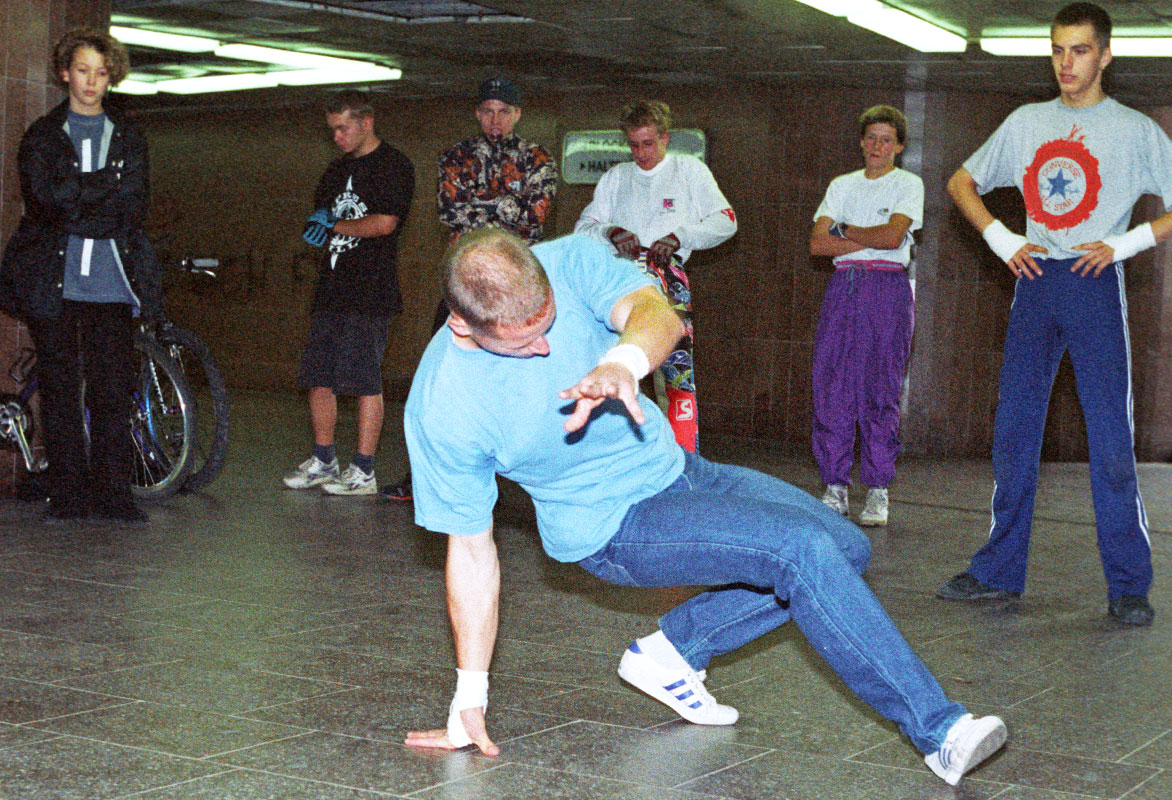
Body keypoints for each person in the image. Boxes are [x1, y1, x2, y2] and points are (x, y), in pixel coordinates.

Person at [401, 227, 1007, 788]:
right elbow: (472, 551)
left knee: (846, 547)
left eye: (547, 327)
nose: (543, 350)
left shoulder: (573, 261)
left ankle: (673, 650)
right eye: (521, 343)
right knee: (798, 551)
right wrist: (469, 696)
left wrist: (623, 361)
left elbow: (656, 313)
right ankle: (941, 732)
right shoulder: (443, 406)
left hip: (681, 471)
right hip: (611, 526)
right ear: (460, 325)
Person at [937, 2, 1172, 626]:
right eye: (1057, 50)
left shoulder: (1134, 130)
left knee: (1110, 436)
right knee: (1014, 431)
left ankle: (1129, 585)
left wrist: (1129, 242)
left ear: (1104, 55)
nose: (1066, 63)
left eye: (1079, 50)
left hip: (1092, 280)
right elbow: (959, 183)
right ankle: (998, 572)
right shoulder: (1027, 121)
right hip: (1035, 282)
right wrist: (1002, 239)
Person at [0, 28, 161, 524]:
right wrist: (97, 193)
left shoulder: (129, 136)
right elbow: (46, 204)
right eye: (83, 71)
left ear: (112, 78)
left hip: (112, 286)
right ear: (66, 73)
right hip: (57, 284)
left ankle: (114, 492)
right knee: (61, 390)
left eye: (102, 73)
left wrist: (78, 197)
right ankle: (68, 492)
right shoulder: (43, 136)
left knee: (113, 392)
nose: (92, 82)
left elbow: (130, 206)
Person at [380, 76, 557, 501]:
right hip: (466, 285)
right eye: (487, 111)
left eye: (503, 111)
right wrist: (505, 206)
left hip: (518, 288)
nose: (495, 120)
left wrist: (480, 207)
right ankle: (423, 476)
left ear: (517, 114)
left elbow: (534, 217)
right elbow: (450, 212)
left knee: (531, 378)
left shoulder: (537, 157)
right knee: (443, 377)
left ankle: (536, 478)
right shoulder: (456, 155)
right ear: (477, 114)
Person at [575, 99, 736, 453]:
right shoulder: (616, 177)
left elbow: (726, 221)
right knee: (614, 365)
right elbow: (584, 226)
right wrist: (611, 232)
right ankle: (617, 457)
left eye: (648, 143)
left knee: (675, 376)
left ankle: (684, 459)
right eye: (633, 144)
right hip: (619, 281)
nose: (641, 152)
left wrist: (680, 236)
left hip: (668, 280)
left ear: (665, 138)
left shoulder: (689, 171)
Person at [283, 90, 414, 496]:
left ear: (366, 122)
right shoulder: (335, 171)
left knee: (363, 378)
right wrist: (320, 218)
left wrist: (335, 227)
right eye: (332, 130)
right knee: (318, 374)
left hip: (370, 290)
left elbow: (385, 223)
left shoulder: (393, 165)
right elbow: (323, 212)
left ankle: (363, 470)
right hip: (332, 288)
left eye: (344, 128)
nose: (337, 136)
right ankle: (324, 459)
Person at [809, 105, 922, 527]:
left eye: (886, 139)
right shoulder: (842, 185)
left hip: (887, 290)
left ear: (899, 146)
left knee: (881, 388)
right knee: (833, 383)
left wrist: (844, 230)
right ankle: (836, 485)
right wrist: (866, 237)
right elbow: (817, 245)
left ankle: (878, 489)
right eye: (871, 138)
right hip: (844, 289)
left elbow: (894, 237)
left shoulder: (908, 184)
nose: (877, 146)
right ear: (860, 141)